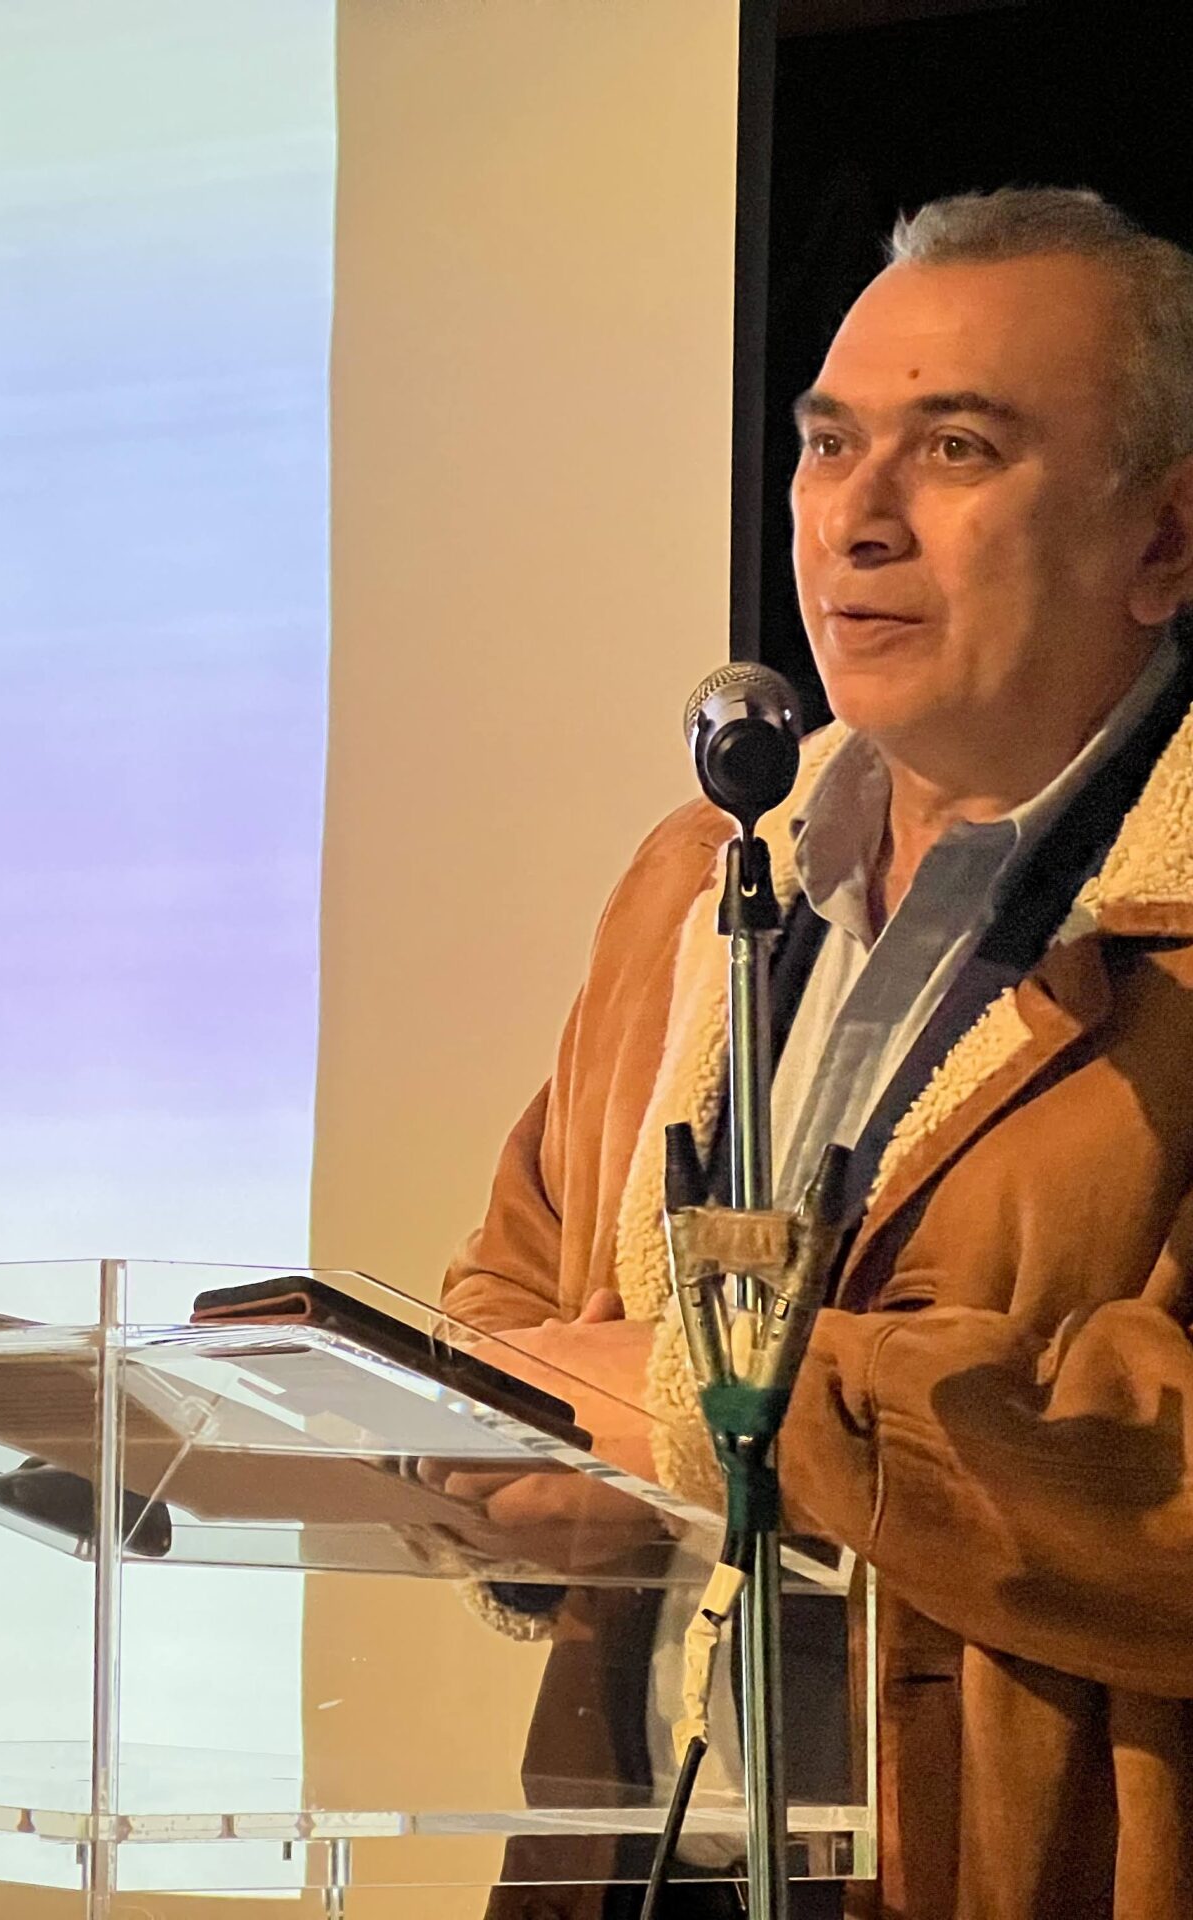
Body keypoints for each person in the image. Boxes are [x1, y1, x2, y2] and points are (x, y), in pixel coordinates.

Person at [450, 187, 1193, 1920]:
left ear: (1164, 541)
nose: (855, 521)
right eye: (830, 444)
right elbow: (519, 1290)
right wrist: (506, 1461)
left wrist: (717, 1422)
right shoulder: (700, 885)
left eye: (956, 449)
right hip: (644, 1869)